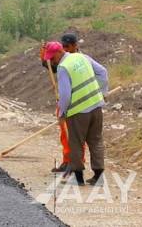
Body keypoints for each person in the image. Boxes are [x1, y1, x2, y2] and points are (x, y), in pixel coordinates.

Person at [43, 41, 109, 185]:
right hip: (96, 106)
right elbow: (103, 72)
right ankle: (98, 177)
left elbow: (65, 95)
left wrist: (62, 113)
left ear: (59, 52)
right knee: (96, 141)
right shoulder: (82, 57)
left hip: (78, 112)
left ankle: (78, 179)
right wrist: (103, 93)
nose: (52, 61)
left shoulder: (63, 67)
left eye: (52, 57)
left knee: (76, 144)